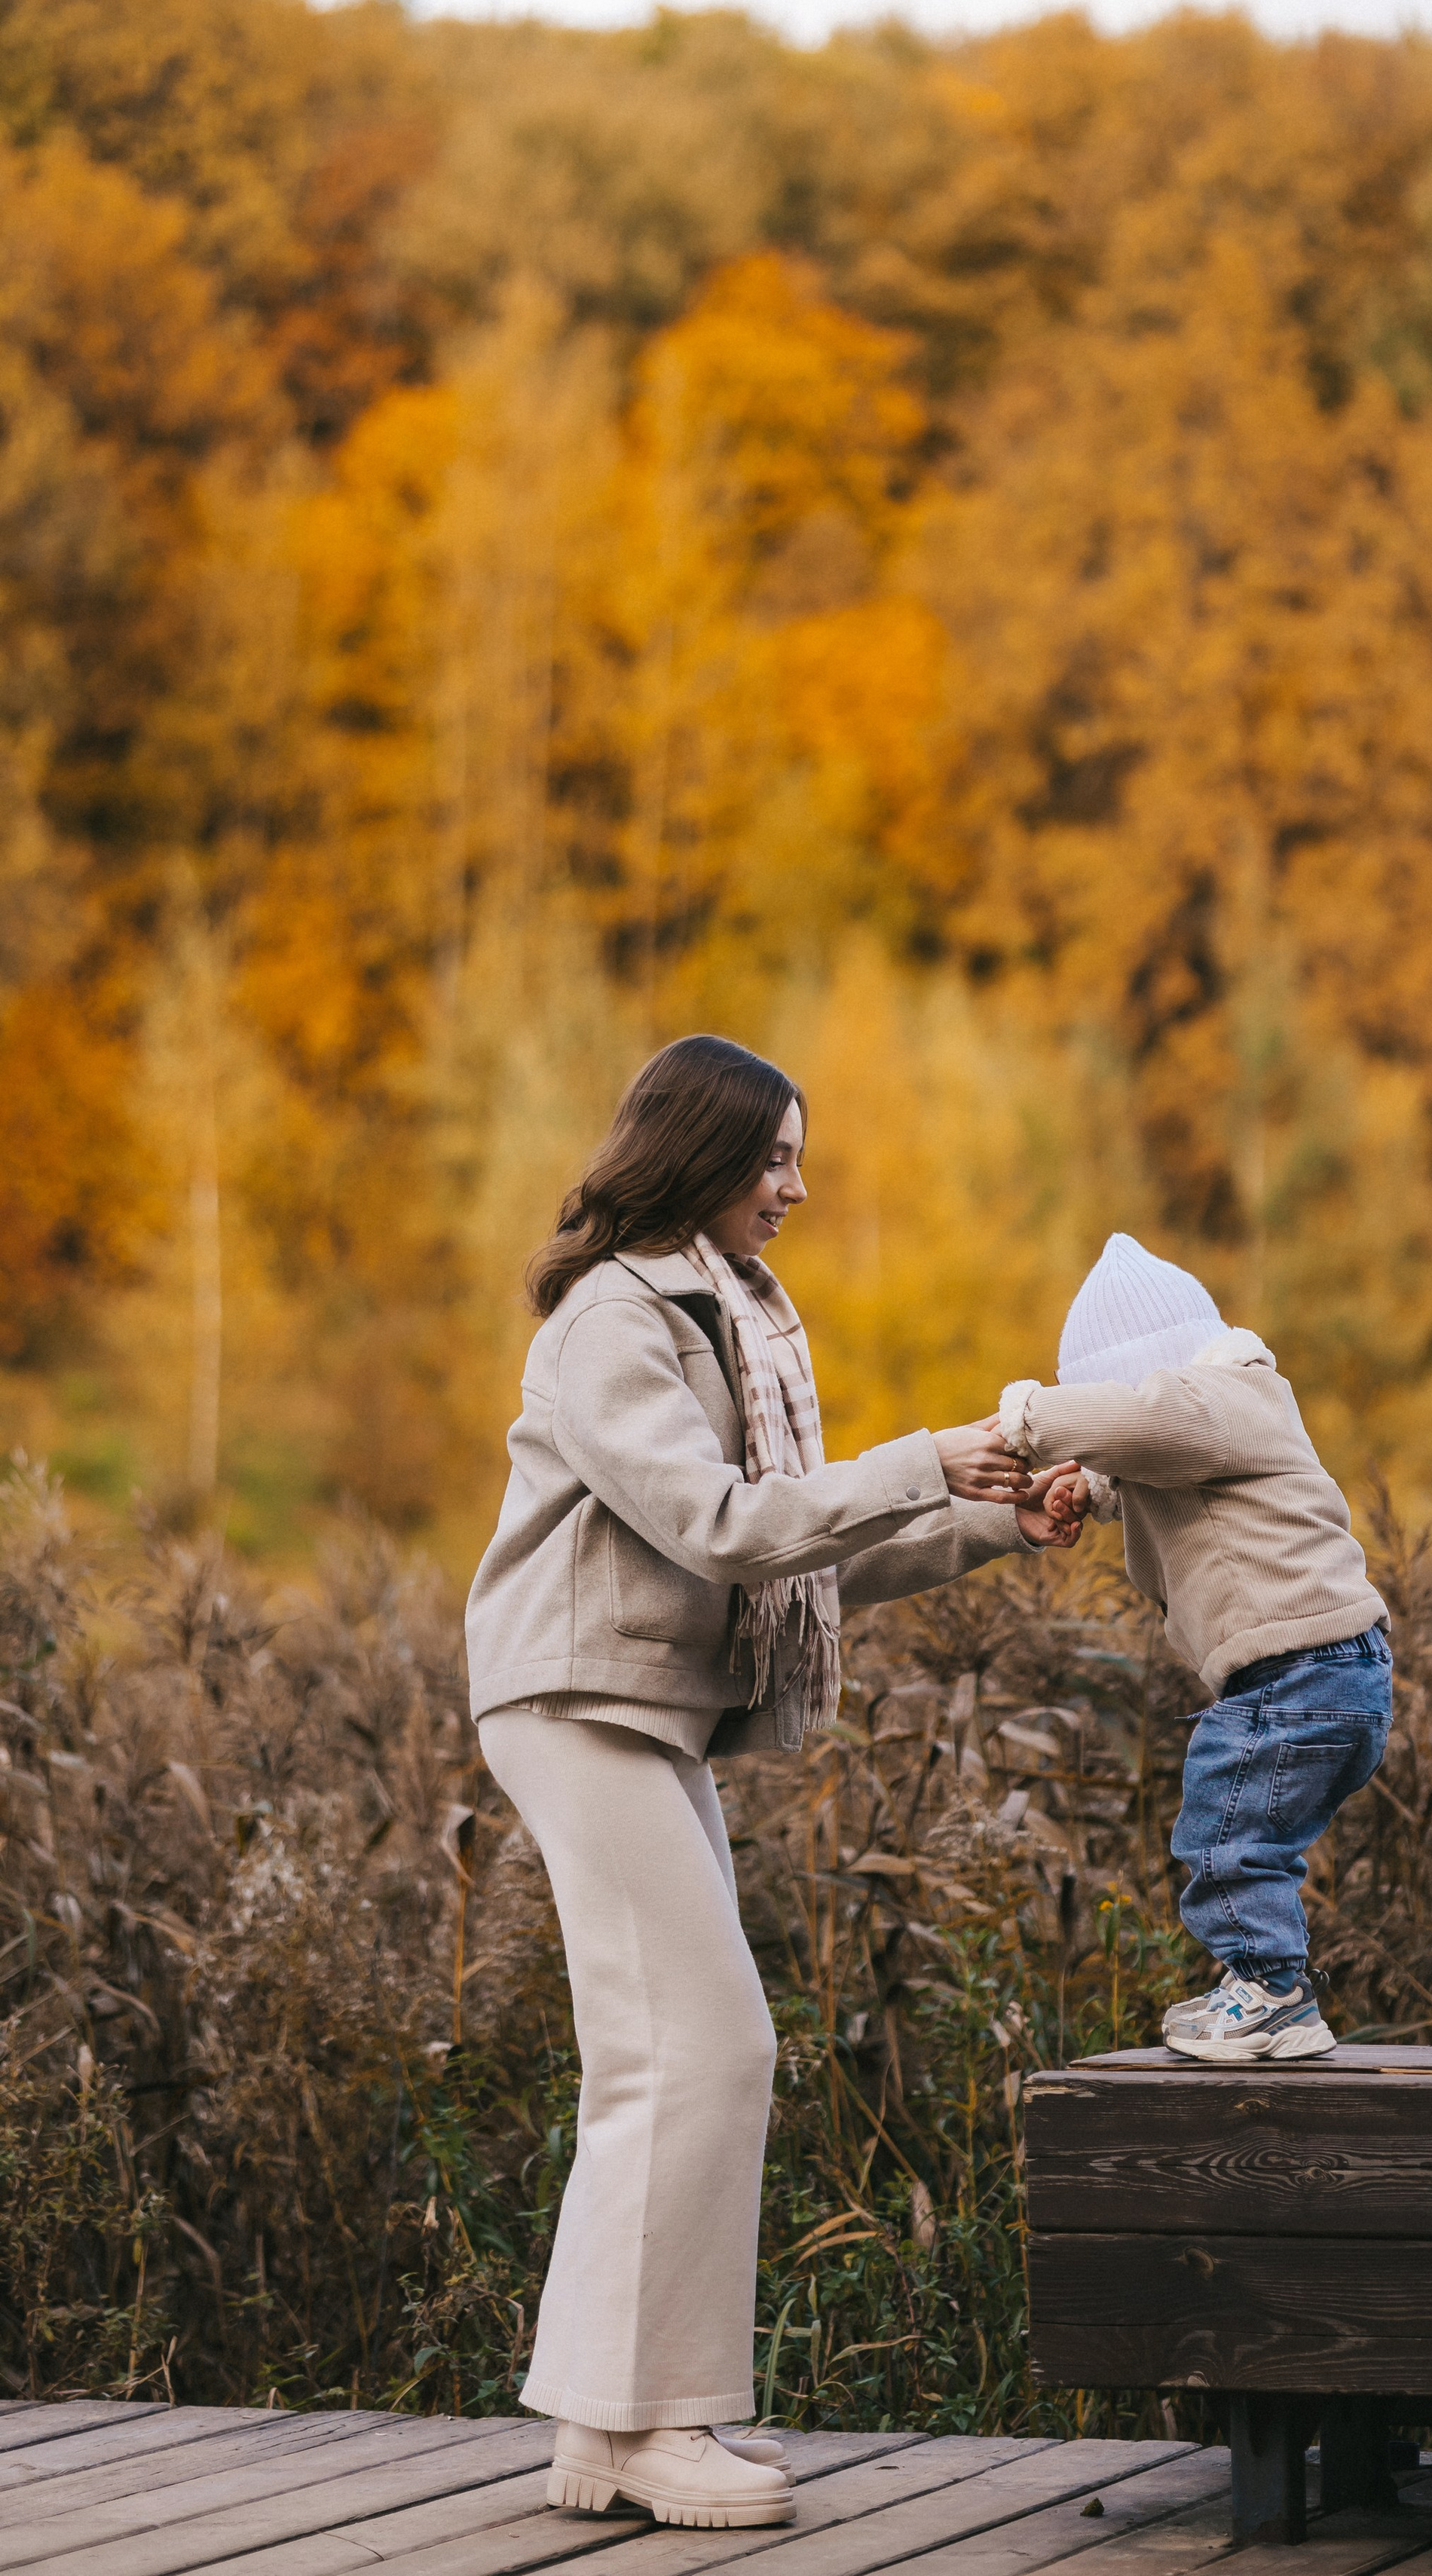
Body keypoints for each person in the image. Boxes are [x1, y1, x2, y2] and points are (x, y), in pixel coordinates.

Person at [466, 1035, 1076, 2526]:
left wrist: (998, 1522)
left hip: (640, 1709)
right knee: (705, 2046)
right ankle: (652, 2427)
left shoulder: (727, 1320)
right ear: (697, 1155)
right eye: (773, 1157)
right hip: (574, 1698)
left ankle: (609, 2435)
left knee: (665, 2054)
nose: (794, 1186)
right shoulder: (614, 1322)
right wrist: (932, 1454)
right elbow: (726, 1528)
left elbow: (810, 1558)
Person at [999, 1231, 1389, 2063]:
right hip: (1327, 1671)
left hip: (1300, 1672)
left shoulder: (1222, 1398)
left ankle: (1273, 1993)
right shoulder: (1215, 1424)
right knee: (1251, 1830)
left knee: (1224, 1829)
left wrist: (1028, 1418)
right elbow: (1170, 1467)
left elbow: (1156, 1426)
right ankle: (1260, 1988)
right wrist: (1094, 1486)